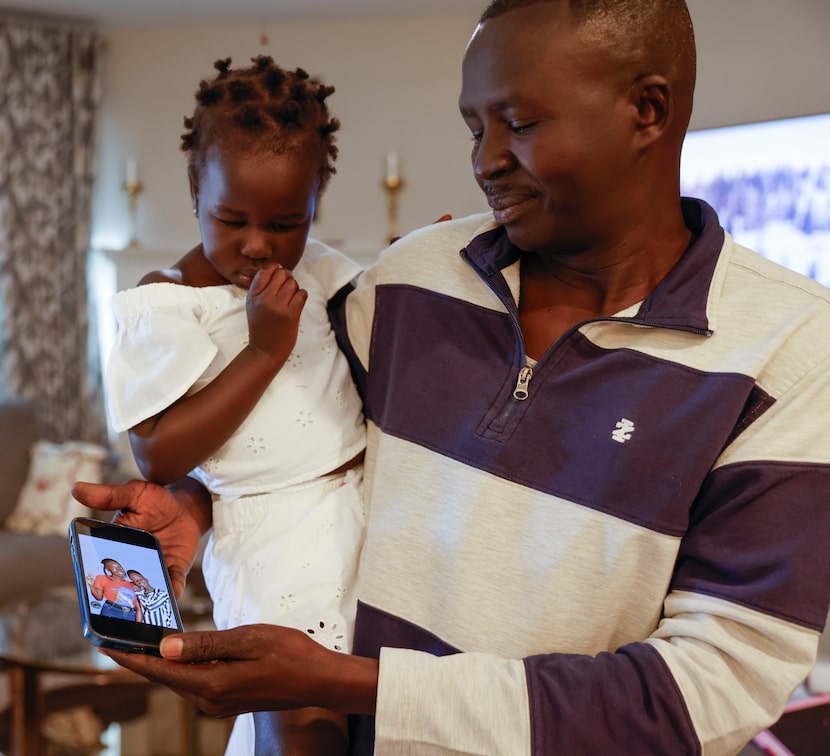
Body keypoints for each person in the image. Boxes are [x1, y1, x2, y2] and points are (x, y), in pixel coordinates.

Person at [74, 1, 830, 753]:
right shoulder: (411, 280)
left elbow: (704, 697)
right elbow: (316, 429)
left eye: (521, 124)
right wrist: (200, 503)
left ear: (647, 109)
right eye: (476, 127)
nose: (485, 160)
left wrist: (349, 684)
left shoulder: (791, 351)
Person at [102, 56, 366, 754]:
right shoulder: (167, 299)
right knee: (298, 706)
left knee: (367, 697)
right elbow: (157, 451)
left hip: (364, 509)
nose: (258, 244)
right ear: (196, 190)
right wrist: (262, 351)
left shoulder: (321, 272)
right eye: (232, 219)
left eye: (286, 221)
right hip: (271, 535)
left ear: (316, 200)